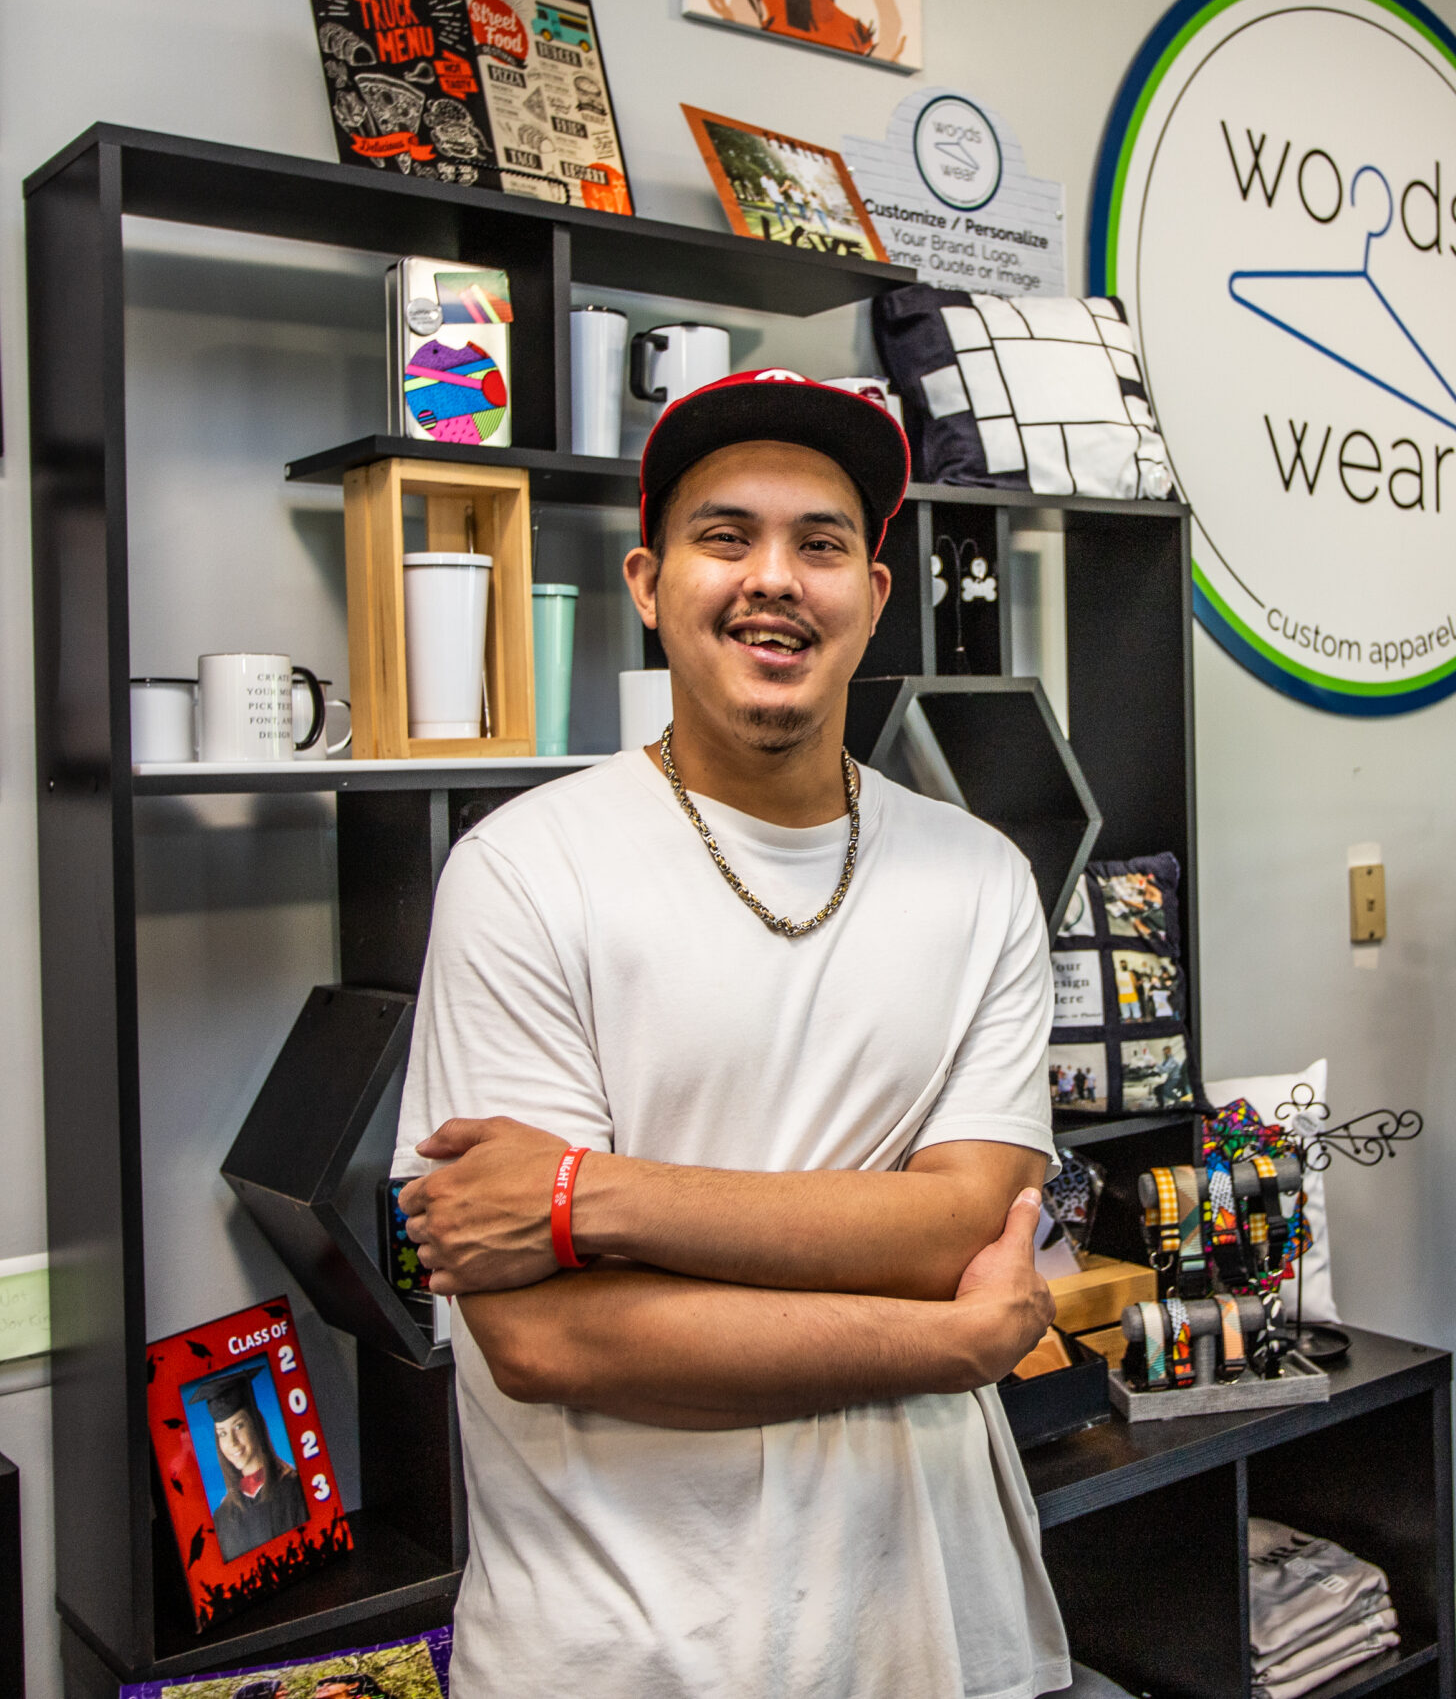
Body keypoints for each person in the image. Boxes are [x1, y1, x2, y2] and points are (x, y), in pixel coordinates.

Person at [394, 368, 1070, 1698]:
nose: (774, 577)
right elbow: (547, 1341)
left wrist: (584, 1198)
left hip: (931, 1626)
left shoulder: (980, 876)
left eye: (822, 544)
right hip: (622, 1645)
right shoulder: (525, 873)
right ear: (649, 583)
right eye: (726, 537)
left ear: (875, 600)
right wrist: (945, 1342)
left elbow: (955, 1227)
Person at [200, 1376, 308, 1560]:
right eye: (222, 1433)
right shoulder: (222, 1517)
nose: (232, 1442)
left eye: (239, 1426)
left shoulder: (296, 1489)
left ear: (256, 1425)